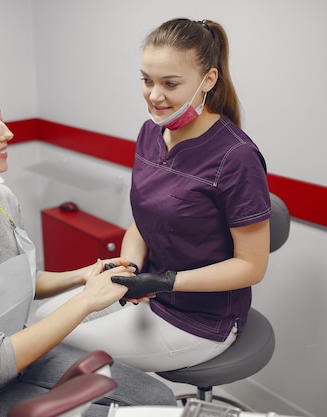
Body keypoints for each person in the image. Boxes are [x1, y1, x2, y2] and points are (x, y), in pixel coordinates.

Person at [0, 77, 176, 417]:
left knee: (159, 400)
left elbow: (21, 280)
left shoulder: (1, 200)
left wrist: (85, 275)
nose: (7, 132)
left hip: (27, 351)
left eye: (0, 118)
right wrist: (87, 301)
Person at [35, 18, 272, 372]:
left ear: (208, 80)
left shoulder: (236, 157)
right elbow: (144, 219)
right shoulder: (150, 133)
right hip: (147, 292)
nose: (154, 96)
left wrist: (166, 282)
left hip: (199, 319)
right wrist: (130, 269)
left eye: (170, 84)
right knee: (42, 317)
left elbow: (252, 266)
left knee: (56, 341)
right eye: (147, 80)